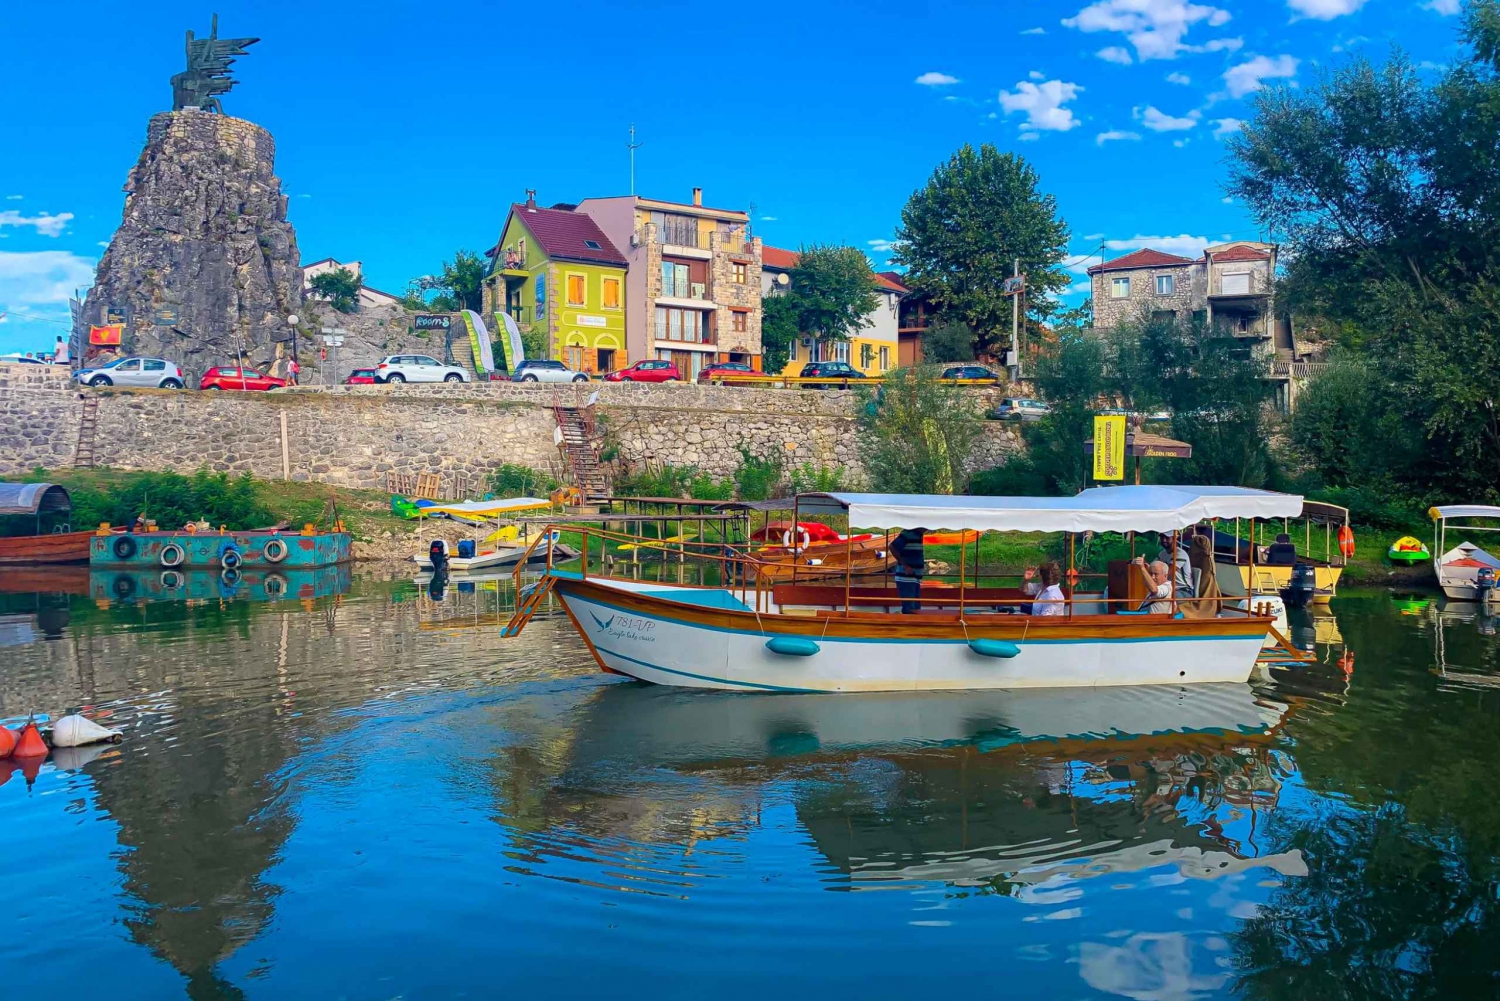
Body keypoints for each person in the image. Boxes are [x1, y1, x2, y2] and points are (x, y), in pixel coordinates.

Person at [890, 527, 925, 614]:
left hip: (915, 577)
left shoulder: (918, 535)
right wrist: (905, 565)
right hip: (906, 577)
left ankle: (916, 625)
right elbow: (892, 547)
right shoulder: (908, 534)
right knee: (909, 608)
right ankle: (909, 625)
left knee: (916, 606)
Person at [1156, 530, 1194, 599]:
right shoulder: (1162, 554)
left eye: (1167, 538)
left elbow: (1168, 573)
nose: (1164, 540)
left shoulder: (1180, 554)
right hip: (1169, 588)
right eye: (1162, 537)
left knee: (1164, 598)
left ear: (1174, 538)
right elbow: (1152, 567)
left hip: (1183, 590)